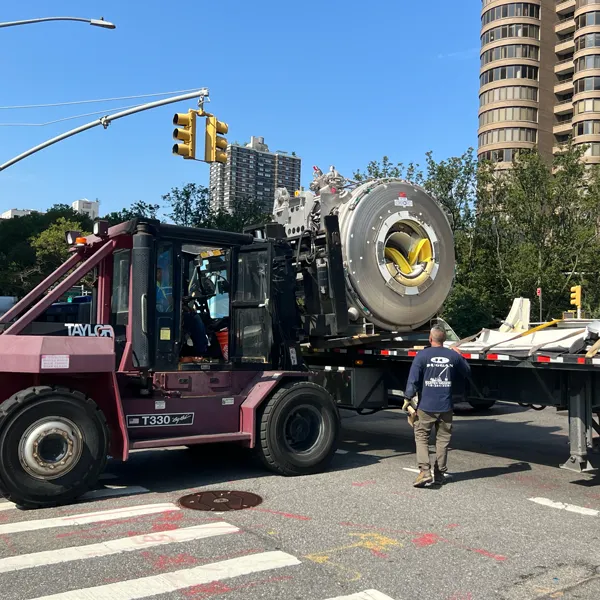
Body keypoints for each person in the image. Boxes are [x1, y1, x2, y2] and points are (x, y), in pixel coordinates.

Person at [404, 325, 471, 488]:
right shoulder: (452, 356)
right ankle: (439, 474)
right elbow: (467, 372)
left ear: (430, 338)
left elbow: (413, 380)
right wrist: (460, 356)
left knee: (421, 436)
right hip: (446, 406)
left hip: (426, 406)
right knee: (442, 440)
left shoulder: (422, 355)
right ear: (445, 339)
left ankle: (425, 472)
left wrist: (407, 398)